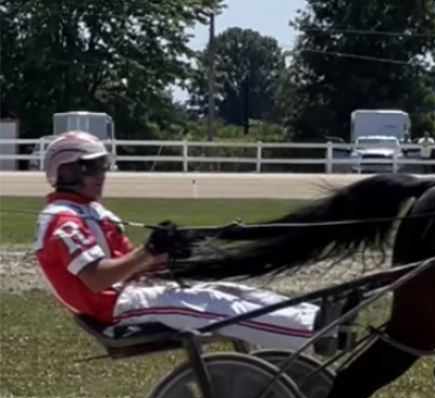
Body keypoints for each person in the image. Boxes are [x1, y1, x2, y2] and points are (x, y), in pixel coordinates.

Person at [33, 131, 326, 351]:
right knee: (215, 305)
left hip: (136, 293)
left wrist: (168, 253)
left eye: (103, 165)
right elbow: (97, 279)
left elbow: (129, 267)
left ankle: (317, 317)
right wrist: (148, 250)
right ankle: (312, 334)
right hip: (117, 310)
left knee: (230, 291)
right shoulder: (62, 221)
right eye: (92, 167)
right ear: (66, 171)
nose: (101, 174)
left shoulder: (91, 211)